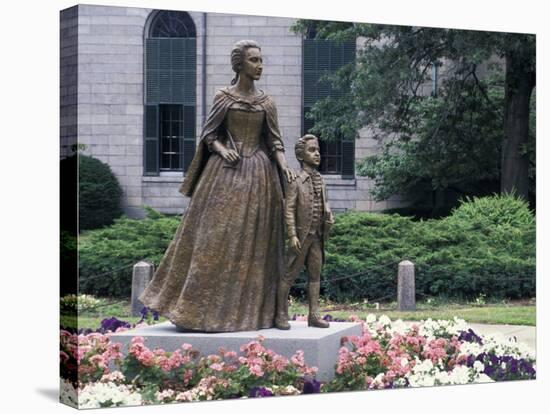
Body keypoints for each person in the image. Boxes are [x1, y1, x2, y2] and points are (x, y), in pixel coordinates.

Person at [139, 40, 296, 332]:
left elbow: (275, 140)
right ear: (240, 64)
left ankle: (254, 313)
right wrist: (223, 150)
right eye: (254, 60)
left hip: (260, 175)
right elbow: (209, 135)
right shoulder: (223, 97)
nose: (259, 65)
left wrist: (284, 165)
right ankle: (196, 310)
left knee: (257, 244)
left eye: (261, 60)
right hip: (225, 175)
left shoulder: (267, 103)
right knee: (213, 238)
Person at [274, 134, 334, 330]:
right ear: (301, 156)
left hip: (317, 237)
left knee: (315, 275)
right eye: (311, 150)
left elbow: (324, 203)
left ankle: (314, 315)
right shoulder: (295, 180)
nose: (317, 154)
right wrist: (291, 235)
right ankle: (281, 314)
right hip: (301, 237)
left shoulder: (321, 180)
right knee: (288, 275)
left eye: (318, 150)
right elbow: (289, 209)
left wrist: (329, 215)